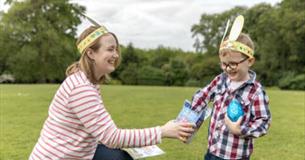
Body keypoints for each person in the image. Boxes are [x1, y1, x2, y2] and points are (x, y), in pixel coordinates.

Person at [29, 23, 195, 160]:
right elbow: (111, 137)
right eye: (110, 49)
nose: (116, 55)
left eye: (116, 49)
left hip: (78, 153)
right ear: (91, 53)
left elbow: (101, 133)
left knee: (120, 157)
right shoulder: (81, 89)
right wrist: (163, 131)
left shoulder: (88, 82)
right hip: (57, 157)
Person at [190, 16, 271, 160]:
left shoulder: (255, 91)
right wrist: (190, 117)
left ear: (250, 61)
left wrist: (239, 130)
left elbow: (263, 122)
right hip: (212, 151)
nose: (228, 69)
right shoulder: (220, 80)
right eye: (224, 64)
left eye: (233, 64)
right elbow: (202, 96)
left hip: (236, 156)